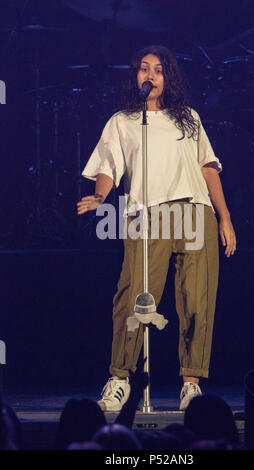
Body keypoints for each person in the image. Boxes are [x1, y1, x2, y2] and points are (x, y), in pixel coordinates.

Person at [77, 45, 236, 412]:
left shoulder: (189, 119)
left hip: (195, 211)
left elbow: (208, 168)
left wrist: (224, 216)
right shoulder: (123, 121)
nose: (150, 75)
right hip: (145, 215)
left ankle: (191, 384)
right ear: (136, 76)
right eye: (144, 69)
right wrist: (101, 196)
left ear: (169, 78)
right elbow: (108, 166)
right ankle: (119, 379)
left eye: (159, 70)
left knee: (197, 300)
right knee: (134, 295)